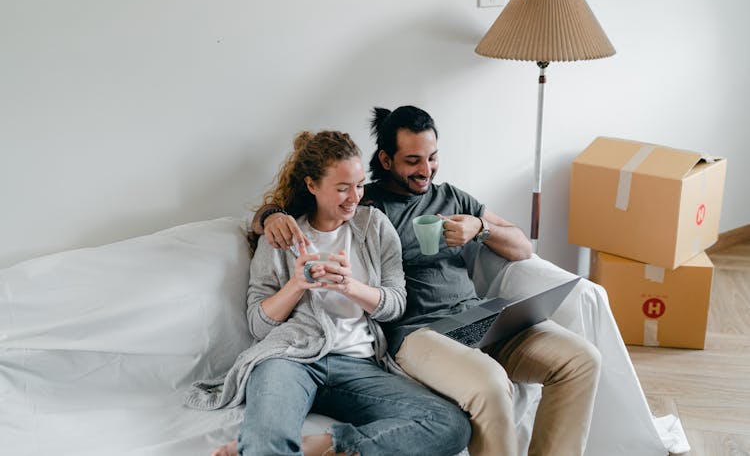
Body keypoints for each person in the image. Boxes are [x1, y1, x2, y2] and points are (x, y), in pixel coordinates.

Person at [255, 107, 602, 456]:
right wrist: (271, 216)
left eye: (432, 158)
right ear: (386, 160)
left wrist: (480, 229)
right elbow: (292, 208)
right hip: (419, 333)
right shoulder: (367, 205)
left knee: (581, 359)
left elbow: (522, 247)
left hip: (478, 317)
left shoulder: (452, 197)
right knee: (490, 384)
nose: (425, 170)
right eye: (412, 161)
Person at [185, 130, 471, 456]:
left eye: (359, 185)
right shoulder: (281, 235)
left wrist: (349, 286)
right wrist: (296, 285)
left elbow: (395, 305)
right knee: (265, 445)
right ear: (312, 186)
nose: (355, 197)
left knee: (449, 423)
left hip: (358, 365)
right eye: (342, 188)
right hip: (289, 360)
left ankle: (319, 447)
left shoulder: (375, 227)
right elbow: (259, 325)